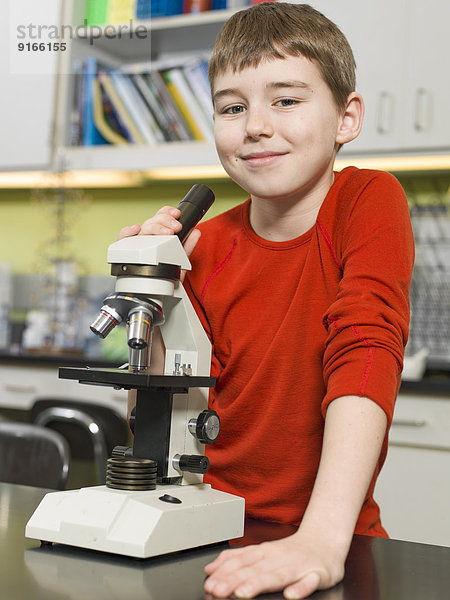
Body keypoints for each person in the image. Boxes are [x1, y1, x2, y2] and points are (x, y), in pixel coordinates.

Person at [119, 3, 414, 599]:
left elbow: (367, 344)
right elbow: (154, 404)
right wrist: (156, 284)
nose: (255, 125)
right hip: (209, 533)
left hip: (331, 538)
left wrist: (321, 539)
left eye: (286, 100)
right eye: (233, 107)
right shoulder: (203, 244)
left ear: (346, 118)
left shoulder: (367, 200)